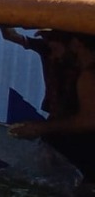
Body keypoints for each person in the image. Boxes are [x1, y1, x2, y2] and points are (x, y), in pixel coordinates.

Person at [10, 34, 95, 179]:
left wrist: (41, 127)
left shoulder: (89, 75)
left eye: (55, 49)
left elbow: (89, 120)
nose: (53, 56)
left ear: (76, 43)